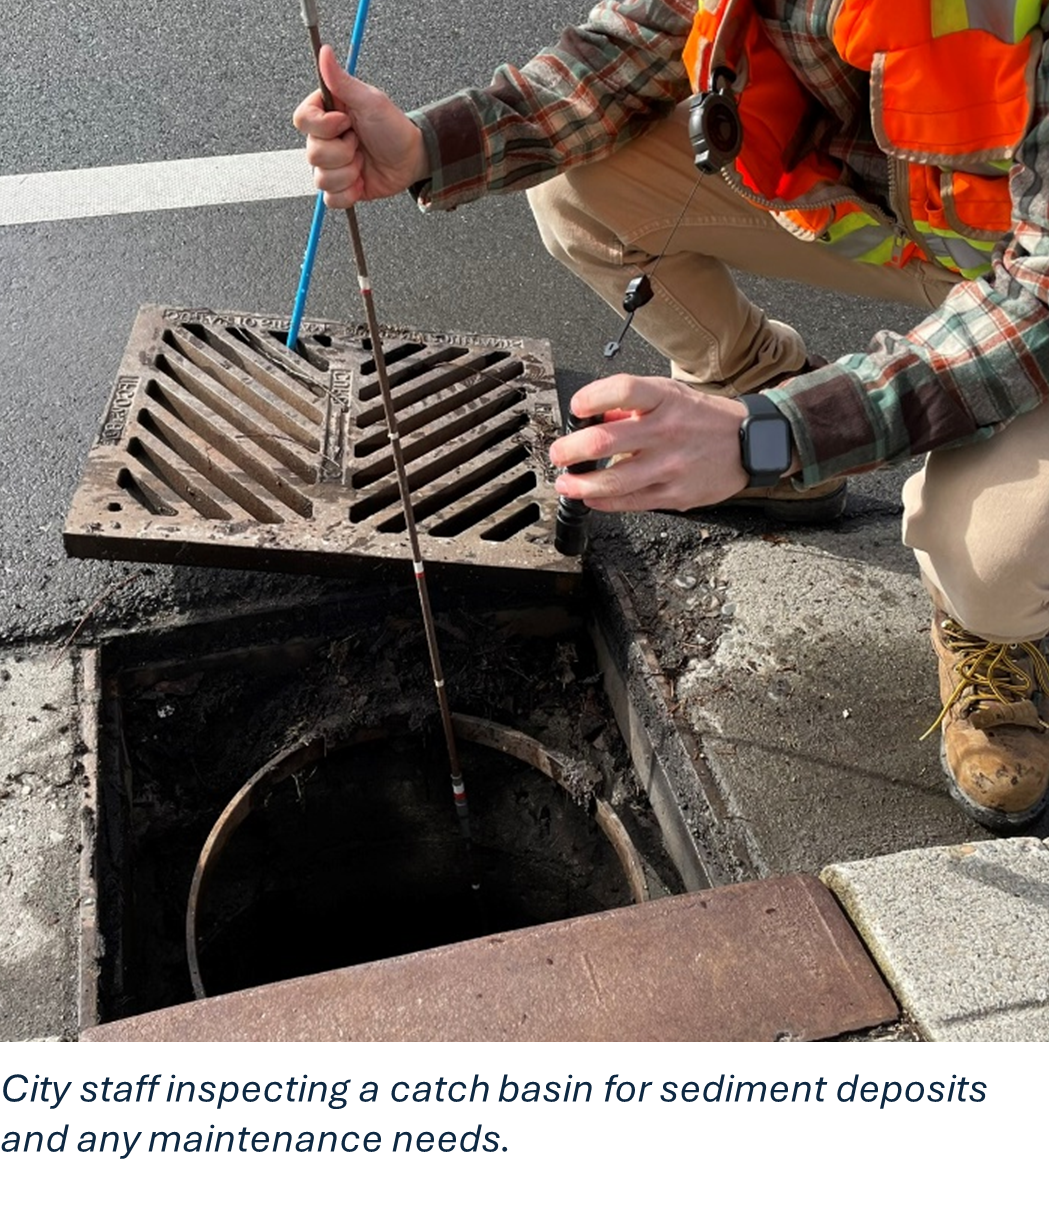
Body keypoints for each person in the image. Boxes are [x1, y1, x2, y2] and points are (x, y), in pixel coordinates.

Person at [294, 0, 1049, 833]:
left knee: (991, 556)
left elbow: (1034, 310)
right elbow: (633, 43)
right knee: (579, 185)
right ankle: (757, 391)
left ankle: (985, 628)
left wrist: (766, 435)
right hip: (914, 224)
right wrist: (427, 148)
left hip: (1033, 283)